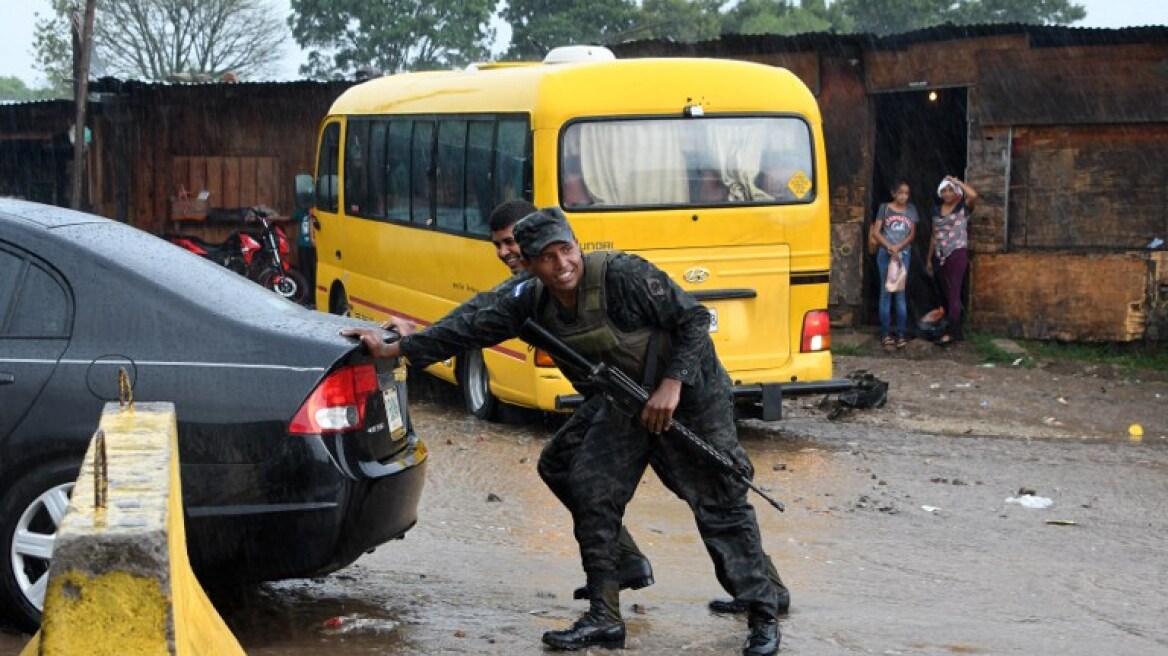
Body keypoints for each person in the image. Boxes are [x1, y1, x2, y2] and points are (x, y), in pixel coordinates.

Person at [345, 209, 784, 655]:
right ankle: (605, 616)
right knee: (591, 488)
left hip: (692, 392)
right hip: (626, 399)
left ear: (577, 246)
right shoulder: (527, 301)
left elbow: (694, 320)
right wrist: (394, 347)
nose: (561, 265)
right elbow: (467, 329)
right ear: (531, 264)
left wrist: (673, 385)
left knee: (720, 498)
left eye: (566, 251)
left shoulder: (625, 275)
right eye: (547, 258)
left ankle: (763, 613)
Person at [387, 199, 658, 604]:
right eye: (498, 245)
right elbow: (477, 314)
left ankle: (759, 593)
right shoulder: (524, 287)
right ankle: (620, 569)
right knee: (566, 468)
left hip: (643, 396)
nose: (505, 253)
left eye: (513, 242)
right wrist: (416, 340)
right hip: (608, 399)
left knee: (700, 485)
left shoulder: (560, 277)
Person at [927, 176, 978, 345]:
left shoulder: (963, 208)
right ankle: (951, 328)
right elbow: (934, 236)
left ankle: (952, 332)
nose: (947, 193)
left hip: (956, 253)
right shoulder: (936, 210)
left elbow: (974, 195)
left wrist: (957, 182)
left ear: (956, 192)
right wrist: (929, 259)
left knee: (954, 292)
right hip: (940, 255)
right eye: (944, 190)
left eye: (950, 190)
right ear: (940, 193)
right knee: (946, 294)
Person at [869, 180, 919, 350]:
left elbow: (912, 235)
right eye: (901, 193)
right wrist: (890, 247)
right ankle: (885, 334)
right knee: (886, 293)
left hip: (903, 254)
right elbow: (876, 232)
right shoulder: (885, 208)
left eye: (907, 193)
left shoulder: (911, 210)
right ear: (893, 193)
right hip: (885, 254)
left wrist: (898, 247)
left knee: (900, 293)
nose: (904, 196)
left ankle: (901, 334)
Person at [294, 206, 316, 307]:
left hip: (314, 247)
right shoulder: (302, 213)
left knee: (313, 272)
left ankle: (313, 298)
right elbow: (294, 215)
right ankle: (306, 297)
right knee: (305, 272)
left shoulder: (317, 215)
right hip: (303, 246)